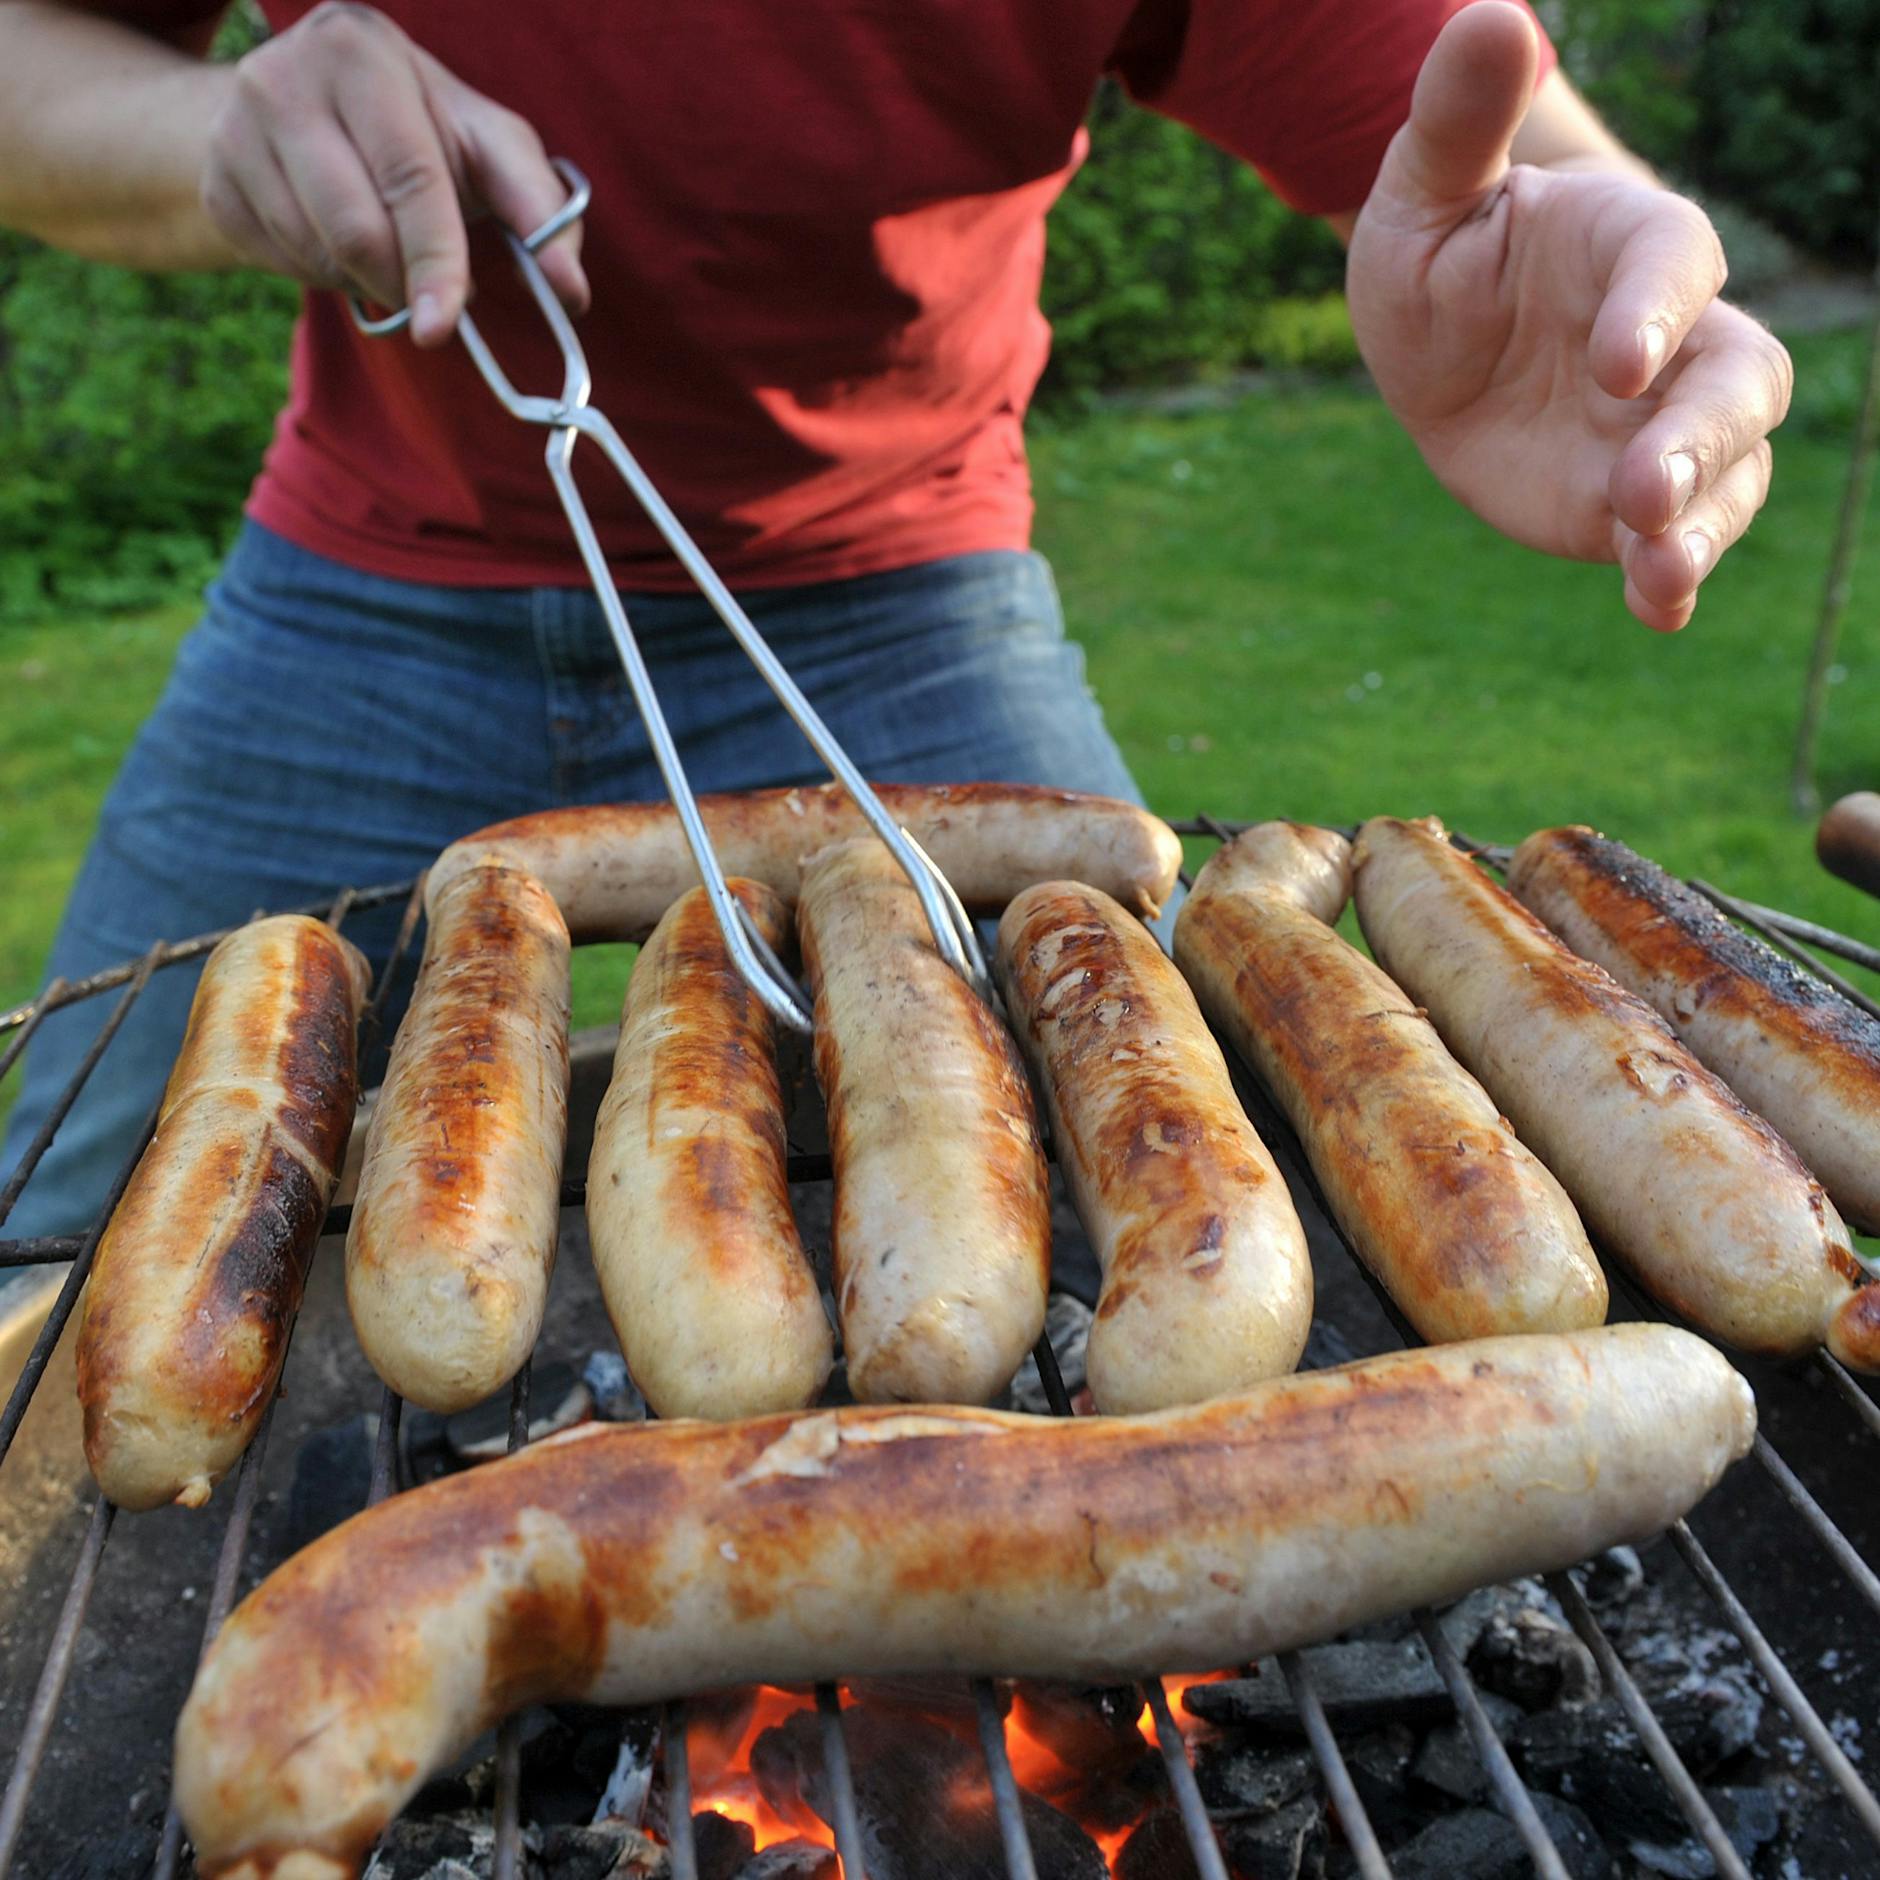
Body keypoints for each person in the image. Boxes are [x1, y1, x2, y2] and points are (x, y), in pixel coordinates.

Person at [0, 0, 1791, 1236]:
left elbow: (1485, 131)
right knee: (62, 1218)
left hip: (901, 596)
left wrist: (1615, 265)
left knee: (1179, 1164)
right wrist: (219, 128)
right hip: (356, 600)